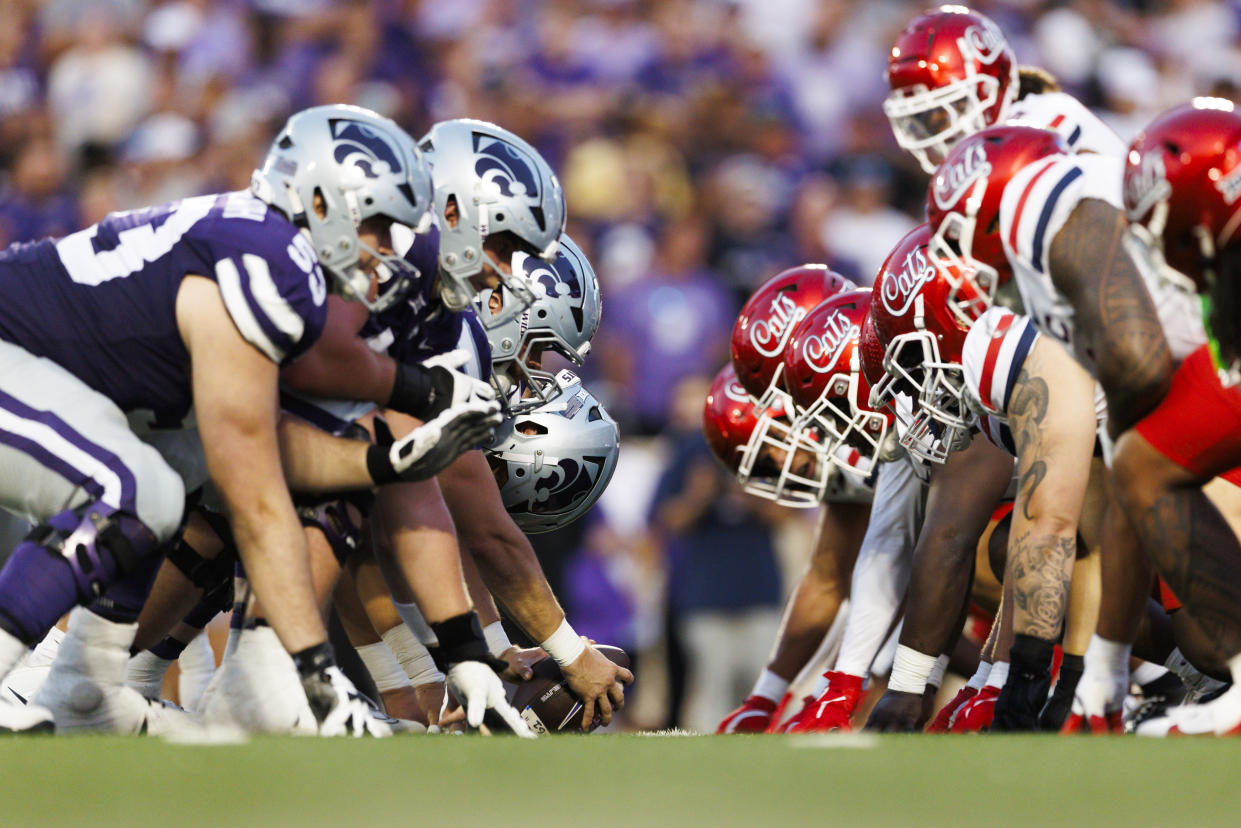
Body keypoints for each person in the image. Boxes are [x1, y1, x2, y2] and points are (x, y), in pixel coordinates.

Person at [0, 104, 501, 734]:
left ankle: (85, 685)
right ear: (322, 202)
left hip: (57, 380)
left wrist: (381, 461)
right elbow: (256, 497)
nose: (385, 249)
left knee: (171, 473)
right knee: (137, 490)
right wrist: (312, 669)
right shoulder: (272, 261)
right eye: (376, 224)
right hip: (12, 356)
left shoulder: (267, 250)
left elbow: (259, 448)